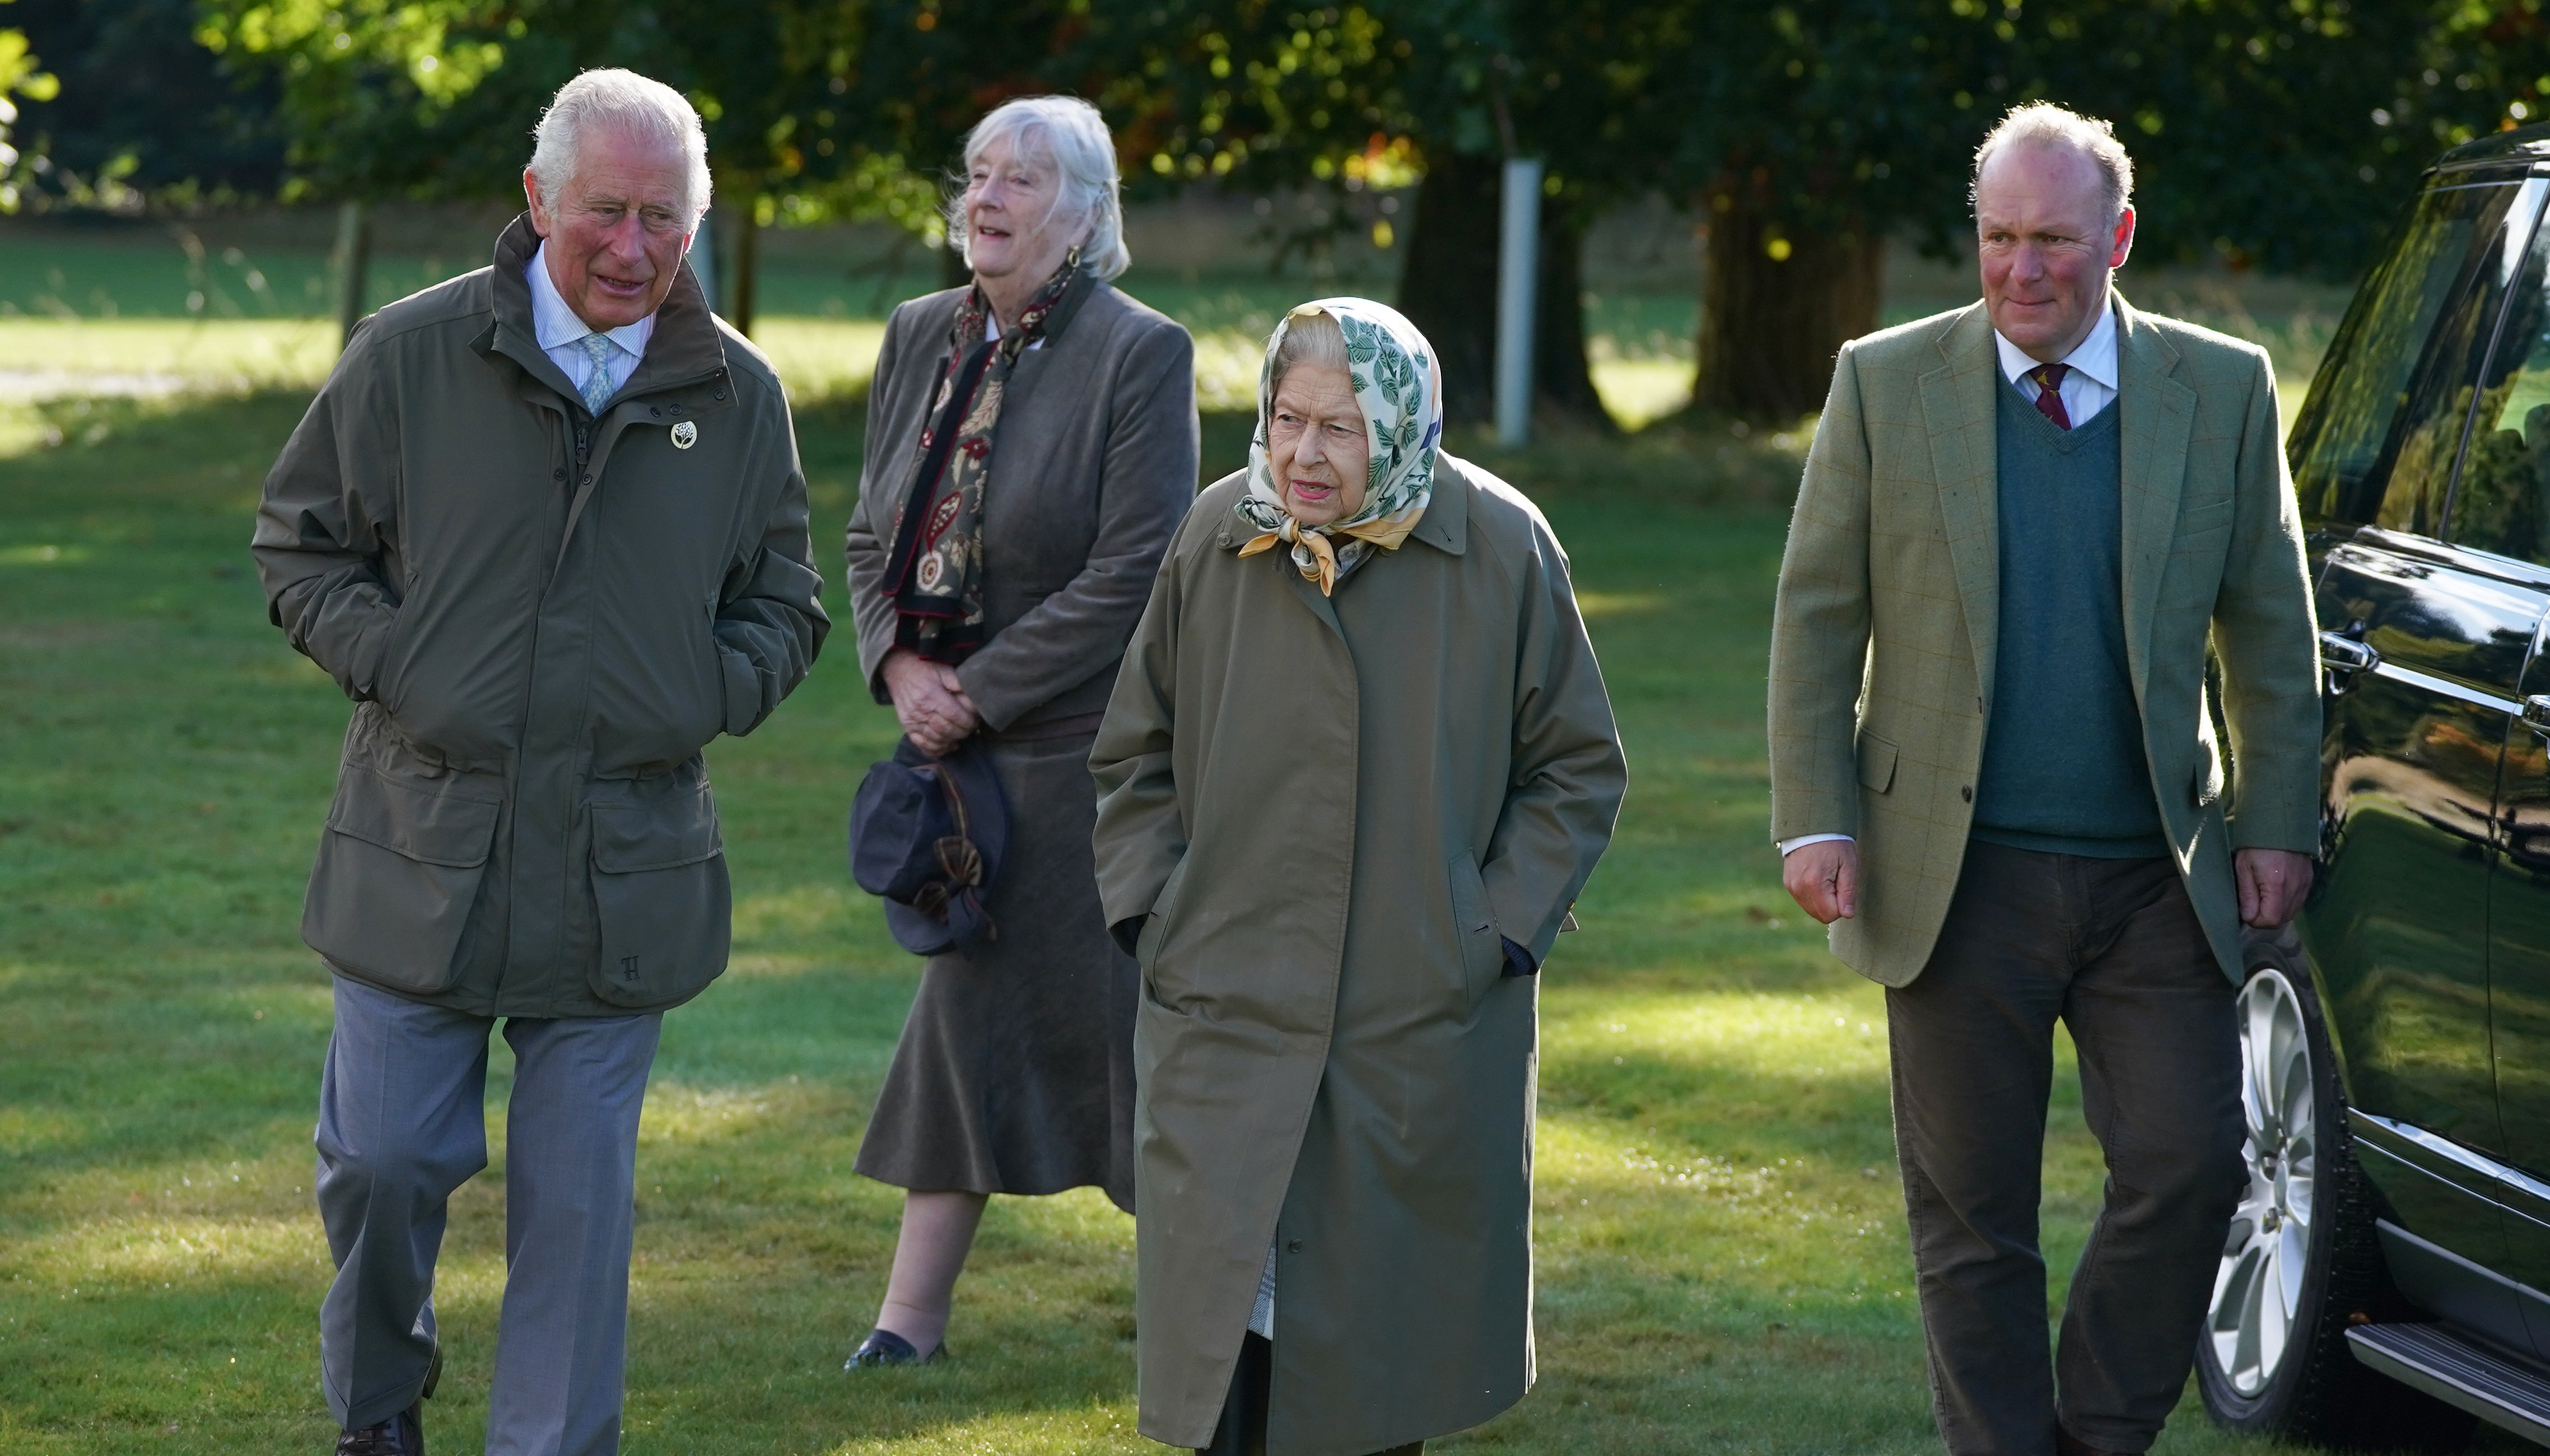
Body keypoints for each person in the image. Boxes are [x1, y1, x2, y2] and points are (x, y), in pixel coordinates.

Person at [250, 68, 826, 1456]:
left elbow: (788, 595)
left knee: (577, 1211)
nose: (636, 251)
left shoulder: (737, 392)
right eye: (607, 215)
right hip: (421, 845)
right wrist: (405, 664)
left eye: (668, 221)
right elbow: (300, 543)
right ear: (537, 199)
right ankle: (380, 1409)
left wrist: (707, 687)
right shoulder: (409, 354)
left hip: (623, 863)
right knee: (384, 1169)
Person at [1768, 102, 2319, 1456]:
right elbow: (1818, 614)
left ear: (2119, 239)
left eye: (2056, 241)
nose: (2023, 269)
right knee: (1971, 1224)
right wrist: (1817, 814)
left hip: (2156, 876)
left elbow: (2268, 627)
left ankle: (2097, 1436)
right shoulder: (1883, 383)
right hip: (1956, 875)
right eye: (2000, 237)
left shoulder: (2224, 389)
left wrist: (2277, 820)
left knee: (2194, 1167)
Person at [1091, 298, 1627, 1456]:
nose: (1303, 453)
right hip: (1225, 1007)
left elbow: (1577, 768)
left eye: (1340, 425)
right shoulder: (1217, 533)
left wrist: (1488, 936)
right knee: (1226, 1354)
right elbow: (1134, 748)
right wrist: (1155, 915)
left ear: (1401, 420)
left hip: (1411, 1019)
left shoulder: (1501, 544)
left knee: (1375, 1373)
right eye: (1287, 417)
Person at [838, 94, 1199, 1366]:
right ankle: (907, 1324)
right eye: (977, 174)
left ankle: (1217, 1320)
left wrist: (976, 686)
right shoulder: (916, 334)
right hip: (951, 767)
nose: (985, 198)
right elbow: (872, 533)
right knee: (962, 1022)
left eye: (1023, 181)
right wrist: (897, 667)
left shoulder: (1140, 352)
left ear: (1087, 214)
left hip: (1085, 764)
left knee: (1132, 1048)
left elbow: (1136, 567)